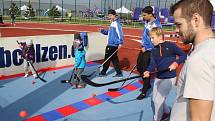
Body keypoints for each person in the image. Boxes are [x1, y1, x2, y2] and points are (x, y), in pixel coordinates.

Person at [169, 0, 215, 121]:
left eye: (179, 24)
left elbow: (200, 118)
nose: (176, 30)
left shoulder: (199, 59)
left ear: (196, 20)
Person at [143, 27, 186, 121]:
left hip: (169, 78)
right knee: (154, 99)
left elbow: (183, 55)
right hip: (158, 77)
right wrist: (148, 71)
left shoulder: (171, 45)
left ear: (159, 37)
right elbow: (152, 63)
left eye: (153, 38)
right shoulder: (154, 50)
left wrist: (176, 63)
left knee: (158, 101)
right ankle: (166, 112)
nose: (151, 40)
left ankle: (157, 119)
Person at [136, 6, 162, 100]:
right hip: (144, 48)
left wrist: (147, 47)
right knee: (139, 67)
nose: (143, 17)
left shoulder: (156, 25)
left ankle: (144, 91)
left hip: (150, 50)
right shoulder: (147, 22)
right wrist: (143, 46)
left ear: (150, 14)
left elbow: (158, 41)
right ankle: (147, 85)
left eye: (144, 15)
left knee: (145, 70)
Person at [98, 9, 124, 77]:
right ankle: (119, 73)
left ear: (114, 15)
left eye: (110, 15)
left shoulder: (116, 23)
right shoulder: (112, 23)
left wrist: (120, 43)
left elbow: (120, 33)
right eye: (108, 15)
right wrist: (103, 31)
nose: (109, 17)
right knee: (114, 59)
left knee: (107, 58)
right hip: (112, 44)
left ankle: (103, 72)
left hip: (112, 45)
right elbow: (110, 33)